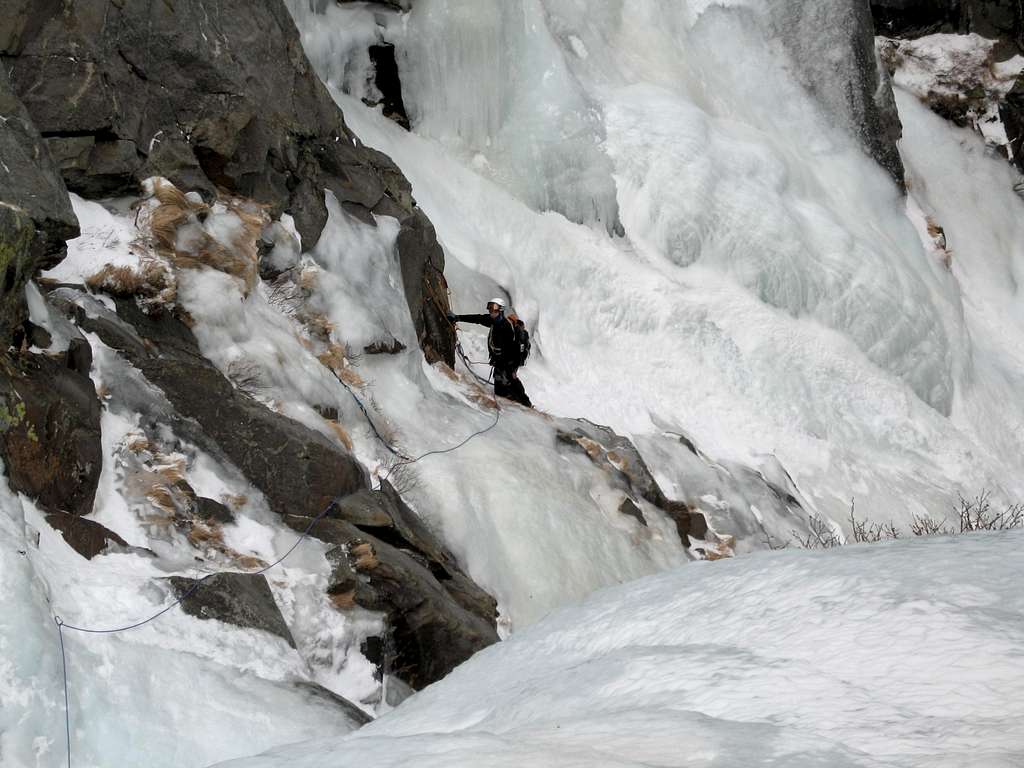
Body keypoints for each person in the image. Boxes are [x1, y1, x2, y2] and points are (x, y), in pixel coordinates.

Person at [447, 298, 532, 407]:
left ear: (501, 310)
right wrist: (458, 318)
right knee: (501, 383)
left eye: (494, 309)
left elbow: (513, 350)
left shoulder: (506, 327)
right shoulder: (494, 321)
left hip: (509, 361)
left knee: (510, 380)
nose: (491, 312)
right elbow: (478, 318)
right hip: (501, 361)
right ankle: (508, 403)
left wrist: (509, 365)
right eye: (490, 309)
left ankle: (525, 403)